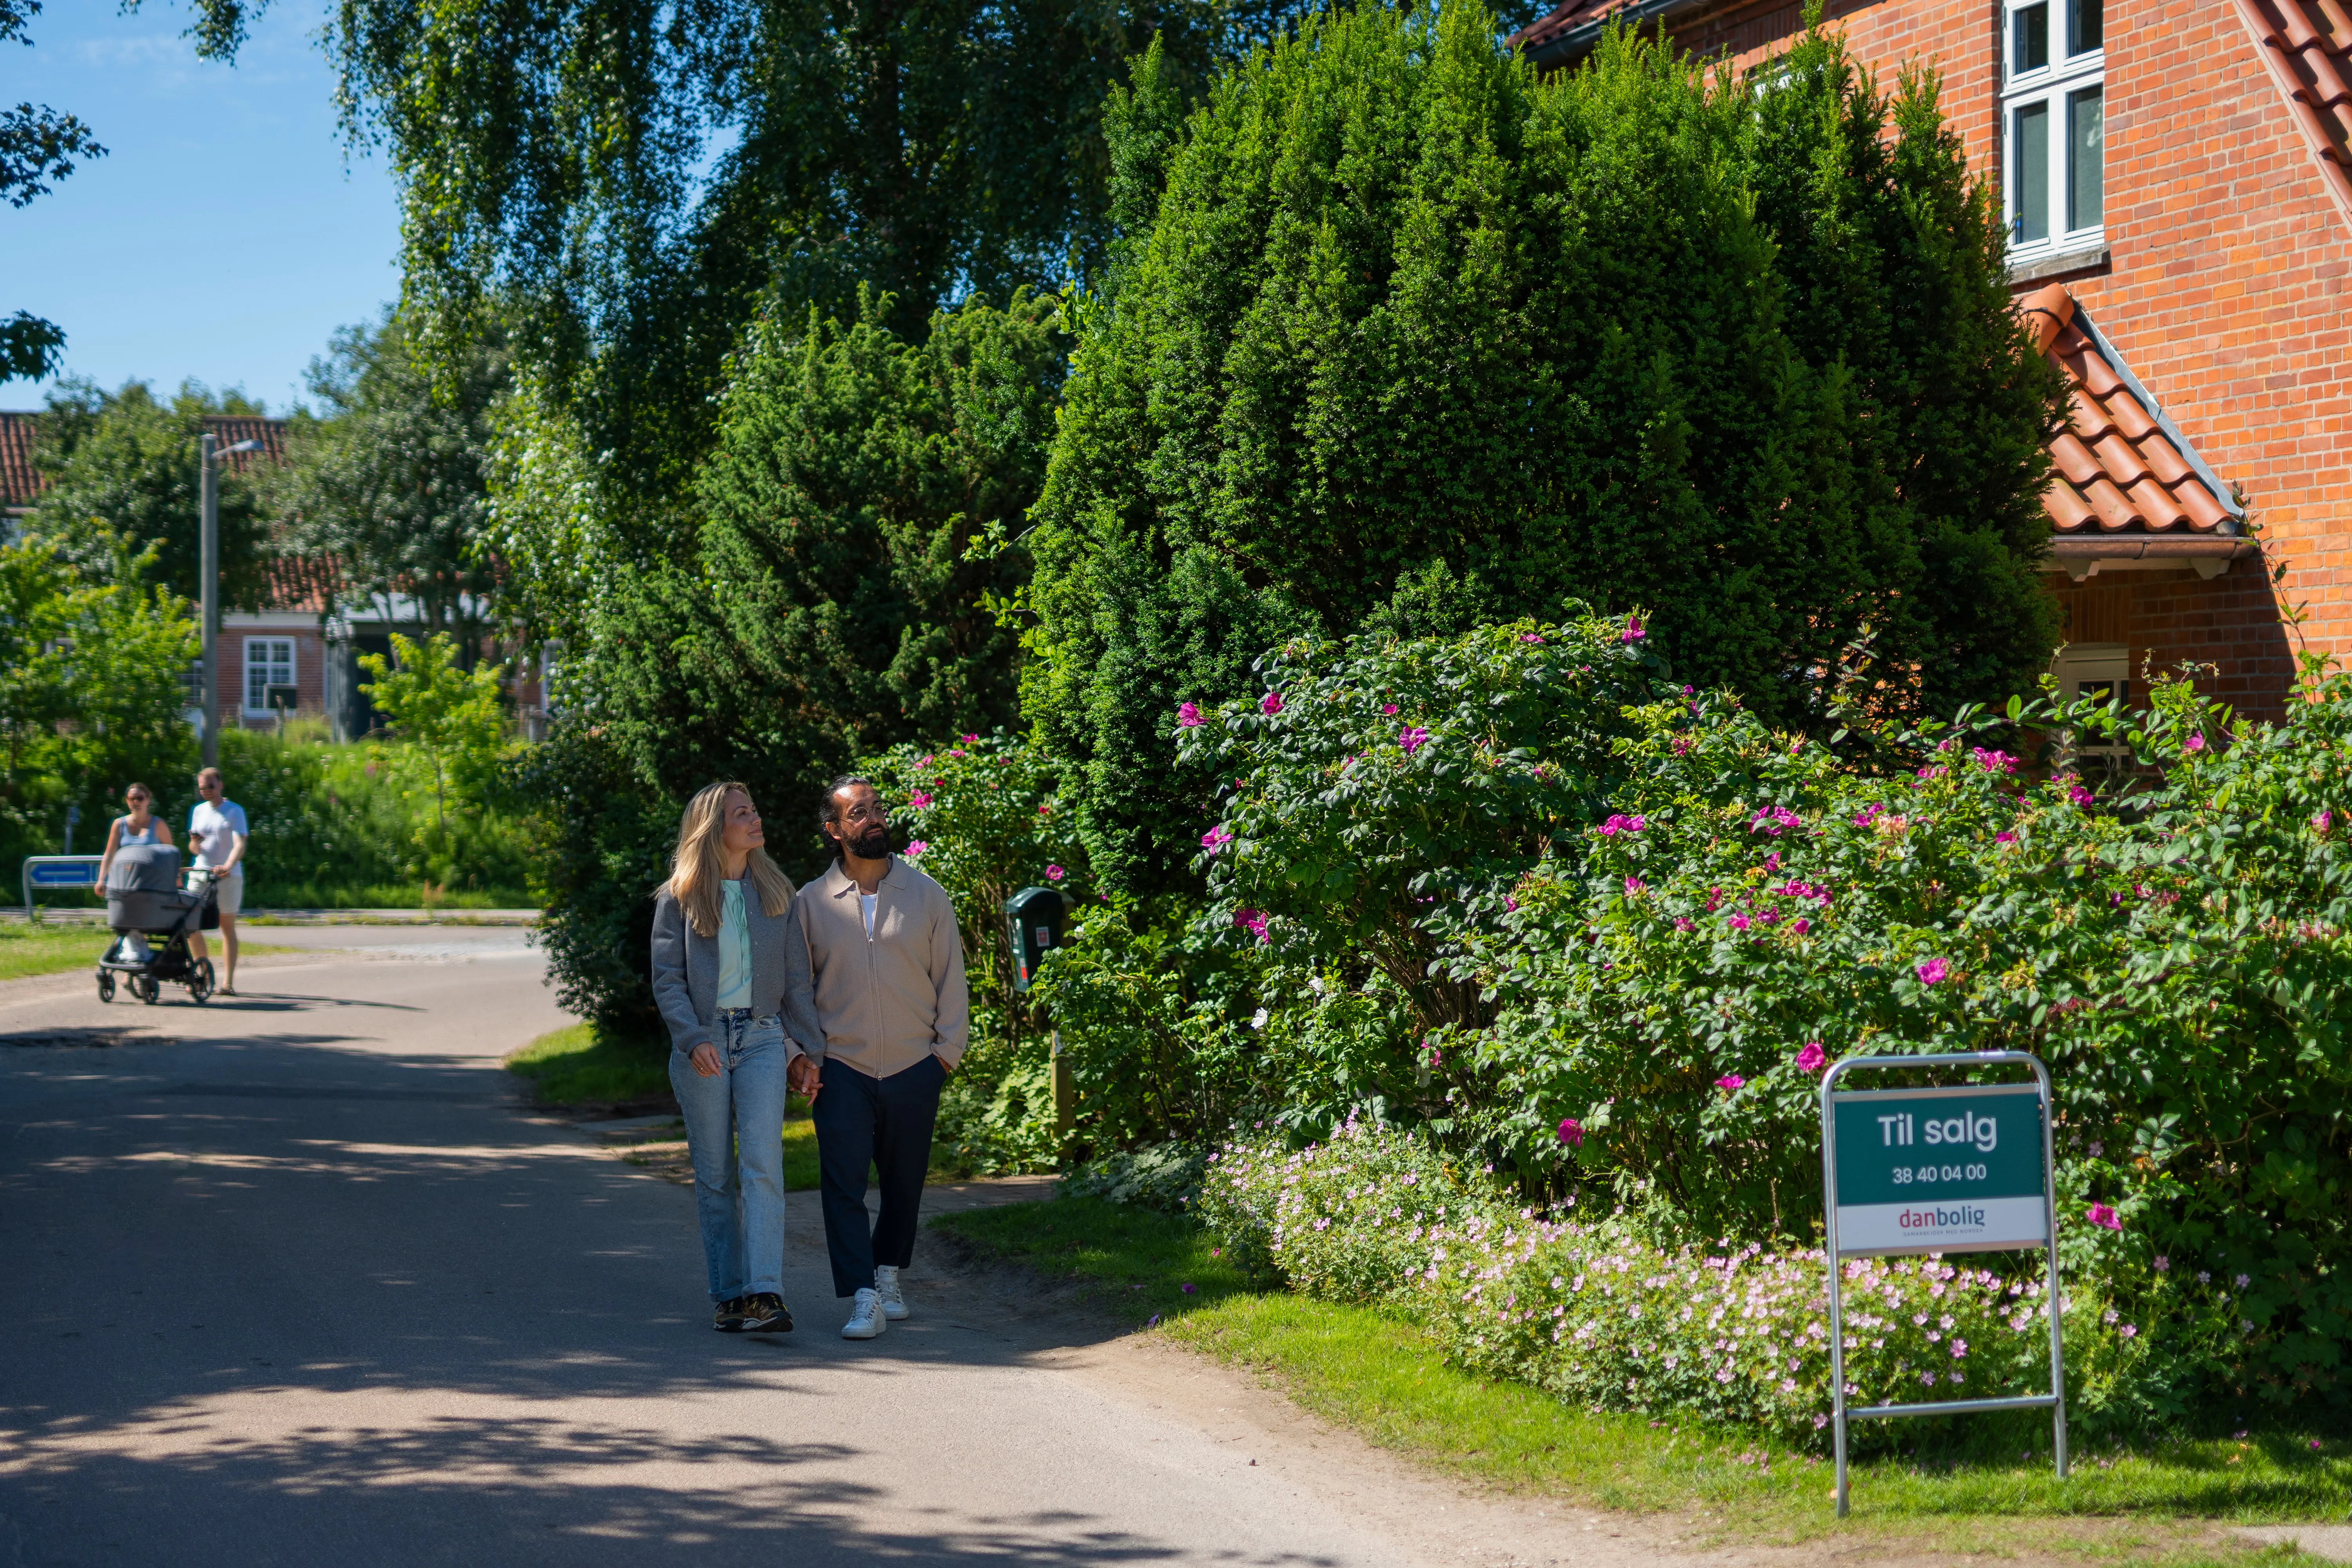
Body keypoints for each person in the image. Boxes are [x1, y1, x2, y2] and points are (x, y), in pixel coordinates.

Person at [650, 782, 826, 1335]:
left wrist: (809, 1051)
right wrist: (692, 1037)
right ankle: (728, 1294)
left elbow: (798, 982)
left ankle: (764, 1294)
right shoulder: (679, 896)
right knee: (716, 1175)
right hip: (703, 1043)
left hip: (762, 1040)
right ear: (714, 828)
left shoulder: (777, 893)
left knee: (763, 1167)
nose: (755, 819)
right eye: (742, 813)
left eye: (754, 808)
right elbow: (668, 980)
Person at [798, 775, 968, 1339]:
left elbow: (951, 981)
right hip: (841, 1068)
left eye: (876, 808)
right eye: (857, 813)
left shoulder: (926, 895)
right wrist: (803, 1054)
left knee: (905, 1182)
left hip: (914, 1065)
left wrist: (945, 1055)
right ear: (833, 831)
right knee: (842, 1184)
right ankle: (863, 1294)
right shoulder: (810, 904)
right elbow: (794, 991)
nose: (873, 818)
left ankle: (888, 1271)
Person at [185, 768, 247, 995]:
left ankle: (227, 983)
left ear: (220, 785)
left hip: (228, 875)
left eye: (210, 787)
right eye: (202, 788)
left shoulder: (234, 811)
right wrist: (195, 843)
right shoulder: (198, 811)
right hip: (200, 872)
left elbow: (240, 845)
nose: (206, 792)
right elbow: (194, 847)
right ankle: (203, 972)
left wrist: (227, 866)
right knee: (190, 923)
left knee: (226, 926)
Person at [96, 783, 174, 887]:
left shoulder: (158, 824)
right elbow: (110, 854)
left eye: (140, 798)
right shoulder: (119, 824)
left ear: (148, 800)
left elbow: (171, 855)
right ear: (127, 801)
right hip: (125, 880)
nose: (136, 802)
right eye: (132, 799)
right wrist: (101, 880)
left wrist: (172, 880)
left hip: (152, 882)